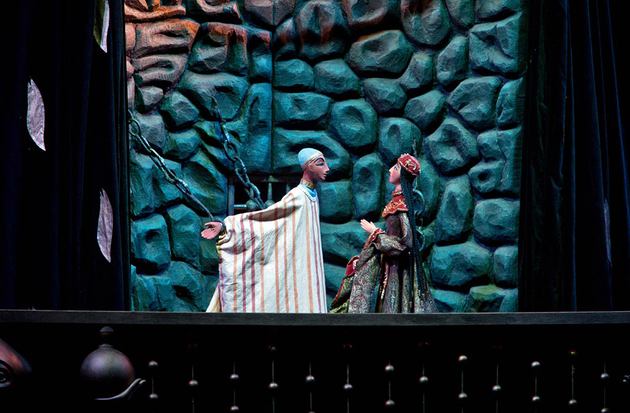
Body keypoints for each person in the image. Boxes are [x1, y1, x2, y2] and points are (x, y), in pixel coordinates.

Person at [201, 148, 329, 313]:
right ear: (308, 166)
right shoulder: (297, 196)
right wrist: (226, 227)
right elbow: (266, 218)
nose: (327, 168)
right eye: (320, 164)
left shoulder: (312, 195)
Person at [330, 153, 437, 313]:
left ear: (402, 174)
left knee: (395, 302)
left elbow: (406, 243)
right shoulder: (398, 202)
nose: (390, 170)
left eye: (395, 168)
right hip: (390, 263)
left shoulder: (402, 206)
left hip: (399, 267)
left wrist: (376, 233)